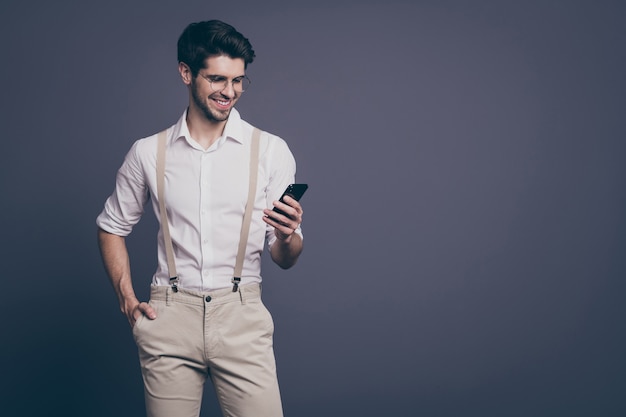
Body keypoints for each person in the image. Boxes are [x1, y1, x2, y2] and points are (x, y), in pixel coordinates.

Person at [96, 19, 303, 417]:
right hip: (169, 318)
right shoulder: (148, 152)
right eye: (217, 79)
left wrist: (287, 235)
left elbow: (285, 256)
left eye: (239, 81)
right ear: (186, 73)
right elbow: (111, 225)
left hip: (242, 315)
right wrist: (126, 297)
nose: (230, 92)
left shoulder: (270, 151)